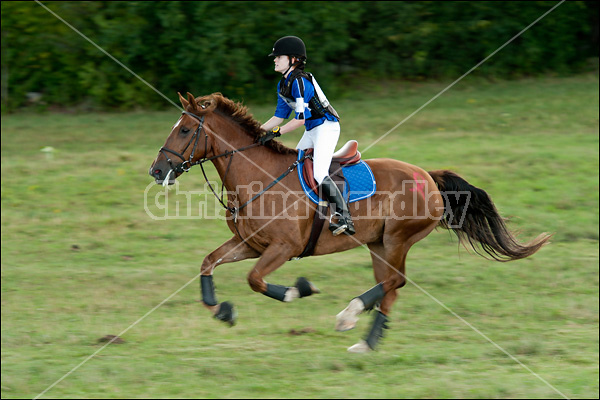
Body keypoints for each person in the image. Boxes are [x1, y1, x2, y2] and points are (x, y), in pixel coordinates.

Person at [259, 36, 355, 236]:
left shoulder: (300, 82)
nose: (274, 60)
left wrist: (275, 134)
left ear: (293, 59)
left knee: (320, 173)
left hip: (327, 127)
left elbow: (299, 120)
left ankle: (344, 217)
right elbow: (279, 117)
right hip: (312, 129)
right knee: (293, 165)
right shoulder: (283, 84)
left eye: (279, 57)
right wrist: (256, 130)